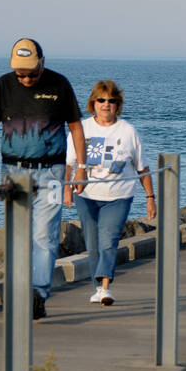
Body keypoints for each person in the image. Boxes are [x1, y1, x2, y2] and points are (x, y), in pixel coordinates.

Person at [0, 38, 86, 319]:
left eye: (31, 73)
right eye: (20, 73)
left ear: (42, 62)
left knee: (44, 236)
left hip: (51, 172)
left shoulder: (59, 85)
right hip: (12, 172)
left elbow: (76, 128)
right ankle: (19, 290)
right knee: (17, 235)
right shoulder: (3, 85)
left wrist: (81, 168)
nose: (25, 78)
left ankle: (38, 295)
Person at [65, 80, 156, 306]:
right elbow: (69, 163)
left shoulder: (128, 131)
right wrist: (67, 189)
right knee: (93, 243)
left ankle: (106, 288)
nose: (106, 105)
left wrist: (150, 198)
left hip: (118, 196)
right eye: (101, 100)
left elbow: (142, 167)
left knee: (109, 240)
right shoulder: (81, 128)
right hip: (86, 196)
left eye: (112, 101)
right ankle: (98, 288)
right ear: (93, 103)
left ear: (118, 104)